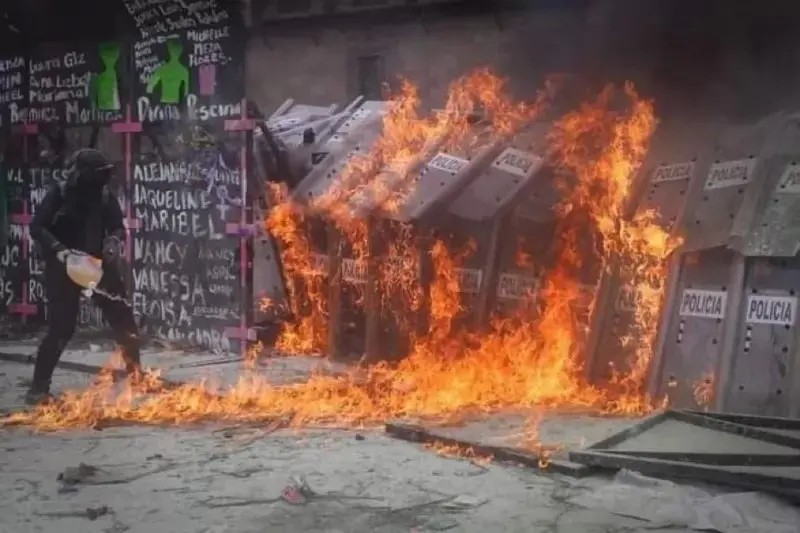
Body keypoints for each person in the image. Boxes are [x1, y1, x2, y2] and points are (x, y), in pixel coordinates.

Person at [26, 148, 142, 405]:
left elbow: (116, 225)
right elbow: (37, 226)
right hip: (64, 265)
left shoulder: (102, 194)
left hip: (96, 264)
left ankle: (137, 377)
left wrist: (112, 241)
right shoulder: (60, 193)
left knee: (123, 319)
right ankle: (38, 389)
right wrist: (59, 251)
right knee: (61, 328)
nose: (101, 180)